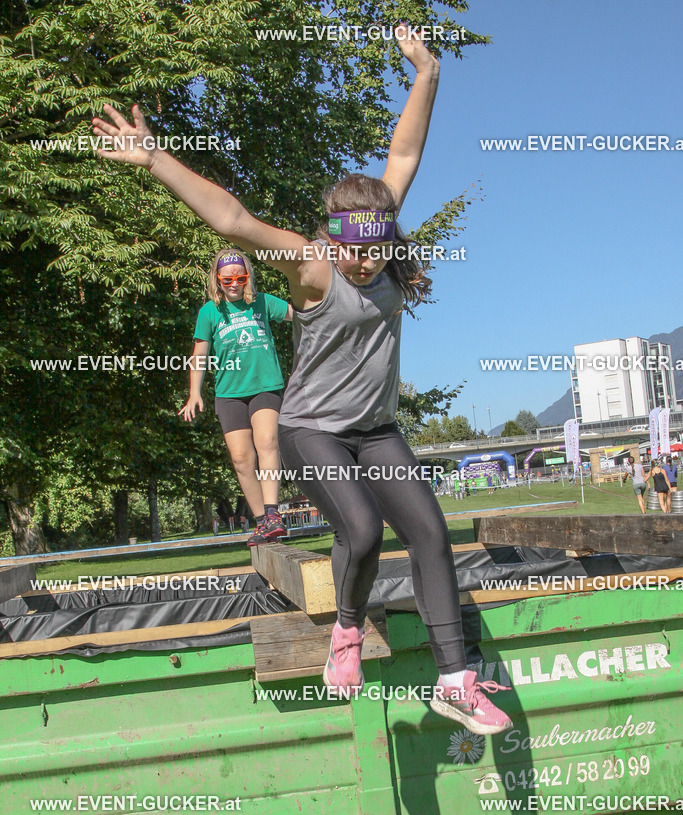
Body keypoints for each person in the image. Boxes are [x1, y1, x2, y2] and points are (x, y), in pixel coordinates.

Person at [91, 26, 512, 736]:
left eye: (374, 254)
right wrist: (155, 159)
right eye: (352, 255)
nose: (363, 266)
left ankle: (453, 681)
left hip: (376, 430)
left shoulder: (378, 232)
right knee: (359, 528)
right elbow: (234, 218)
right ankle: (344, 630)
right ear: (333, 238)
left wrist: (427, 72)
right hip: (311, 428)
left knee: (432, 536)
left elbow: (404, 151)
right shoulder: (313, 262)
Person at [179, 248, 293, 546]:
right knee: (241, 459)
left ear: (248, 278)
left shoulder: (263, 302)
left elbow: (302, 314)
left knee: (267, 440)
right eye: (227, 279)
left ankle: (273, 514)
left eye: (240, 278)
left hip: (265, 386)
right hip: (230, 394)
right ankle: (261, 522)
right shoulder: (209, 312)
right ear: (217, 280)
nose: (234, 284)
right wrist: (194, 393)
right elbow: (199, 355)